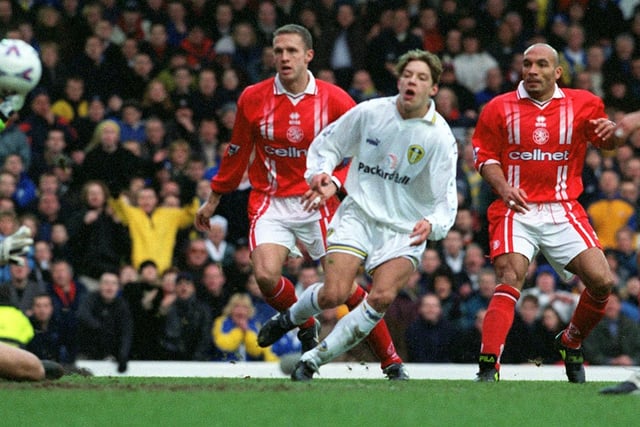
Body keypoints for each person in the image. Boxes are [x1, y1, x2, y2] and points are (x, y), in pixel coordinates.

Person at [194, 24, 406, 378]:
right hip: (270, 199)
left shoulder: (335, 99)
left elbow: (364, 151)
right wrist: (213, 198)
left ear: (308, 55)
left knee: (346, 290)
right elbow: (236, 152)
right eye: (278, 51)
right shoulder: (252, 97)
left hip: (318, 202)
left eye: (291, 51)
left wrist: (335, 184)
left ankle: (391, 362)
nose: (283, 58)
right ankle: (303, 322)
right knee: (264, 275)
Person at [258, 48, 458, 381]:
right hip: (358, 215)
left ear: (433, 88)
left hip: (403, 228)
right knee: (334, 293)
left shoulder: (439, 137)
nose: (413, 81)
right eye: (408, 74)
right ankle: (289, 318)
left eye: (422, 77)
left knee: (380, 297)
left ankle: (312, 361)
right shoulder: (370, 112)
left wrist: (434, 224)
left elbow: (445, 198)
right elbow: (328, 145)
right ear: (399, 78)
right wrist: (320, 174)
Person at [471, 43, 625, 383]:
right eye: (527, 64)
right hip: (515, 206)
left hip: (562, 208)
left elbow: (608, 142)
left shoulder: (583, 103)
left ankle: (570, 341)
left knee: (602, 281)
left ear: (557, 72)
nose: (533, 71)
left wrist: (611, 135)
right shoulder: (498, 108)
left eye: (542, 65)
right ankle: (488, 365)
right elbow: (484, 157)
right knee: (511, 275)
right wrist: (504, 187)